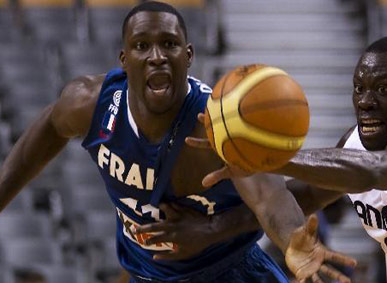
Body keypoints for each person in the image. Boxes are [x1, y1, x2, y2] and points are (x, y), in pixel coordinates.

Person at [0, 2, 356, 282]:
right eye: (142, 46)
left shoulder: (215, 124)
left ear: (188, 56)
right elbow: (50, 124)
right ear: (125, 60)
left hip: (230, 273)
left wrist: (293, 238)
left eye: (168, 44)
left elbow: (270, 196)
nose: (156, 56)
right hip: (145, 274)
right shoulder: (90, 104)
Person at [189, 35, 387, 282]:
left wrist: (264, 156)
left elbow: (376, 172)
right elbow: (304, 195)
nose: (365, 101)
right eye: (359, 88)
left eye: (383, 89)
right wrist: (208, 229)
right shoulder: (354, 145)